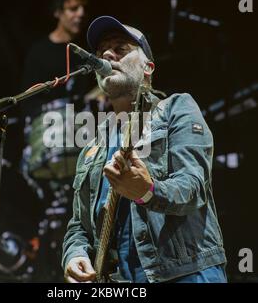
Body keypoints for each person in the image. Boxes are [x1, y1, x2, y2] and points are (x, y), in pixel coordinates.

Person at [62, 16, 227, 283]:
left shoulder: (177, 109)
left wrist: (148, 192)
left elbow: (193, 187)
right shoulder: (92, 148)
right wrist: (74, 254)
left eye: (120, 48)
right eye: (101, 51)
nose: (106, 54)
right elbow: (78, 226)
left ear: (148, 68)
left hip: (186, 274)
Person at [19, 0, 94, 282]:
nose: (80, 14)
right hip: (51, 140)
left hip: (84, 140)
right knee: (56, 217)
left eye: (82, 8)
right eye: (73, 9)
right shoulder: (39, 52)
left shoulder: (85, 54)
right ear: (57, 12)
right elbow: (28, 105)